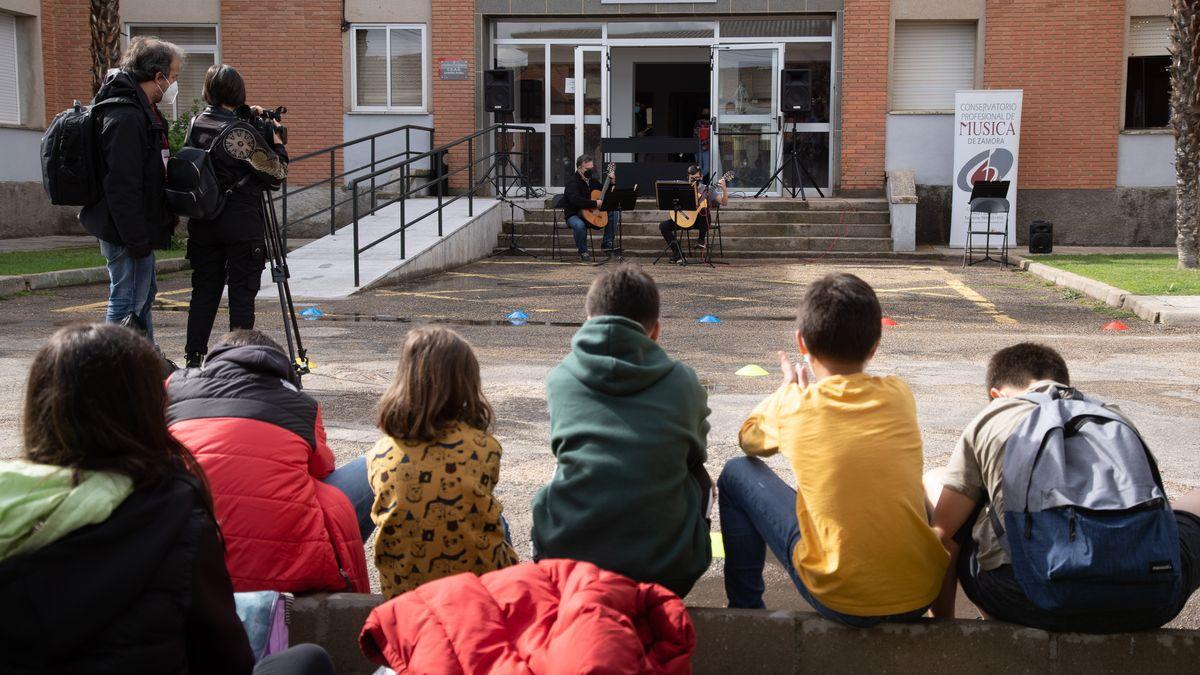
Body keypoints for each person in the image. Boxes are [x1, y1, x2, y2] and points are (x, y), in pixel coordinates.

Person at [0, 323, 332, 674]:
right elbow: (226, 660)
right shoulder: (173, 509)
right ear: (147, 407)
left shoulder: (11, 501)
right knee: (308, 659)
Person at [719, 272, 948, 626]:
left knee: (736, 472)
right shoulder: (900, 394)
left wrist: (786, 391)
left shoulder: (794, 405)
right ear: (875, 345)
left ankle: (746, 611)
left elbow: (748, 438)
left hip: (841, 599)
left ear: (801, 343)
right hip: (920, 592)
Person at [928, 342, 1200, 632]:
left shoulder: (996, 416)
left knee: (937, 482)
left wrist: (943, 624)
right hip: (1150, 600)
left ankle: (991, 619)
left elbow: (944, 537)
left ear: (996, 395)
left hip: (1030, 600)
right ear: (1065, 384)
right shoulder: (1112, 414)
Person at [531, 265, 711, 597]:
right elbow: (696, 452)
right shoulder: (682, 381)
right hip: (666, 575)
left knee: (564, 467)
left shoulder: (561, 380)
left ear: (587, 322)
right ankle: (746, 601)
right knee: (699, 476)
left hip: (572, 568)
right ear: (656, 331)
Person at [165, 329, 371, 593]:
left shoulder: (174, 386)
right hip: (285, 573)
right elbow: (322, 469)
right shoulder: (303, 405)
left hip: (186, 566)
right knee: (372, 468)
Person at [369, 326, 519, 599]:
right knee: (494, 514)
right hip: (477, 591)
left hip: (402, 594)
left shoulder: (380, 454)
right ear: (466, 383)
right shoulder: (484, 448)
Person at [183, 65, 289, 368]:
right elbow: (276, 173)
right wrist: (277, 141)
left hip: (204, 222)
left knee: (204, 291)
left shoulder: (197, 123)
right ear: (238, 92)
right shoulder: (241, 133)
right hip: (241, 223)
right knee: (242, 294)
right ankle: (237, 363)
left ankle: (194, 358)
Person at [79, 37, 182, 347]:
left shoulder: (140, 108)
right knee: (126, 303)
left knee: (142, 299)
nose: (174, 84)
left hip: (136, 228)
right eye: (174, 77)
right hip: (126, 231)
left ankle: (146, 366)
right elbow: (122, 185)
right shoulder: (125, 115)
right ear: (157, 75)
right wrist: (136, 238)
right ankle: (112, 371)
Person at [658, 164, 727, 264]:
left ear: (701, 177)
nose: (694, 180)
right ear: (688, 177)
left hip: (700, 222)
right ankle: (678, 254)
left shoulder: (706, 189)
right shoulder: (682, 189)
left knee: (704, 209)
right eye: (692, 178)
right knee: (663, 226)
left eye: (697, 178)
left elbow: (724, 202)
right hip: (685, 219)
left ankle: (701, 240)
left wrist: (724, 189)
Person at [562, 154, 620, 262]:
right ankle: (583, 252)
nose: (590, 171)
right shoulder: (572, 182)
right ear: (579, 168)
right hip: (575, 214)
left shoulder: (593, 181)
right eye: (587, 169)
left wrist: (612, 182)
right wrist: (594, 203)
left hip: (593, 214)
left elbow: (606, 194)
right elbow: (575, 200)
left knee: (614, 212)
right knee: (579, 225)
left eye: (591, 168)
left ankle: (607, 243)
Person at [693, 107, 712, 178]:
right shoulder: (698, 122)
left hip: (707, 149)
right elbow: (696, 134)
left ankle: (698, 179)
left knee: (707, 169)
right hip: (698, 148)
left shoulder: (711, 122)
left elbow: (713, 136)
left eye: (707, 113)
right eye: (704, 112)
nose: (706, 114)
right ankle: (700, 185)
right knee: (699, 168)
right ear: (702, 113)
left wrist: (705, 143)